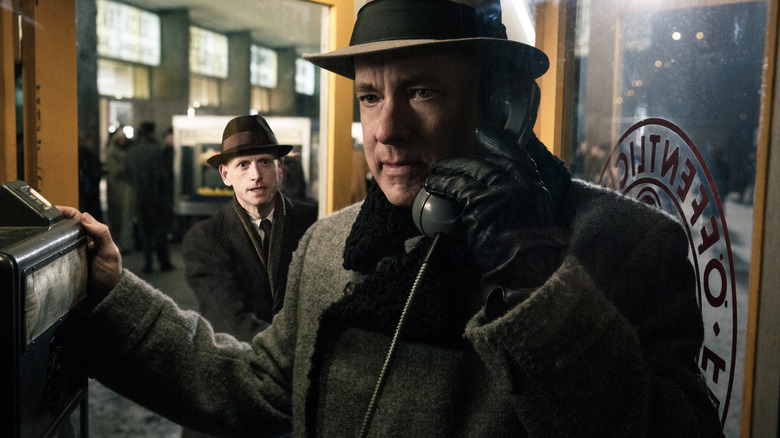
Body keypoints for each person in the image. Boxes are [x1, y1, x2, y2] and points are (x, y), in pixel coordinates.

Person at [62, 0, 723, 436]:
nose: (386, 130)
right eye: (371, 96)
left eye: (423, 90)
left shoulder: (627, 247)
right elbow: (260, 389)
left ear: (502, 108)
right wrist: (115, 298)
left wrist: (537, 279)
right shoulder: (330, 246)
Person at [182, 115, 318, 342]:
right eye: (243, 164)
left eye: (265, 161)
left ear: (280, 168)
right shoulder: (206, 238)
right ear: (226, 175)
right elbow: (228, 320)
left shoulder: (314, 223)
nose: (256, 175)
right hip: (244, 363)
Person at [125, 121, 174, 272]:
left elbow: (127, 174)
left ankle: (148, 263)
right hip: (155, 196)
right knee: (159, 229)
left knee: (144, 230)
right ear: (151, 132)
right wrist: (167, 192)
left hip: (139, 196)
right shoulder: (154, 150)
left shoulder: (131, 151)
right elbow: (160, 175)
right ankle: (164, 262)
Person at [105, 128, 134, 252]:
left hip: (122, 188)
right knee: (116, 217)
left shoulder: (123, 152)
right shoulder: (112, 152)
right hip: (115, 188)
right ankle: (117, 243)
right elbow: (114, 170)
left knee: (122, 217)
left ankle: (120, 243)